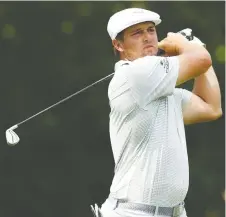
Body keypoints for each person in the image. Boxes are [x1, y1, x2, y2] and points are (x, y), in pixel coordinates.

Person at [91, 8, 222, 217]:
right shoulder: (134, 75)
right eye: (136, 33)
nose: (147, 37)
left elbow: (211, 107)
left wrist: (195, 47)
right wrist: (186, 44)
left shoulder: (161, 89)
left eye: (151, 30)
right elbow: (201, 60)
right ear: (118, 45)